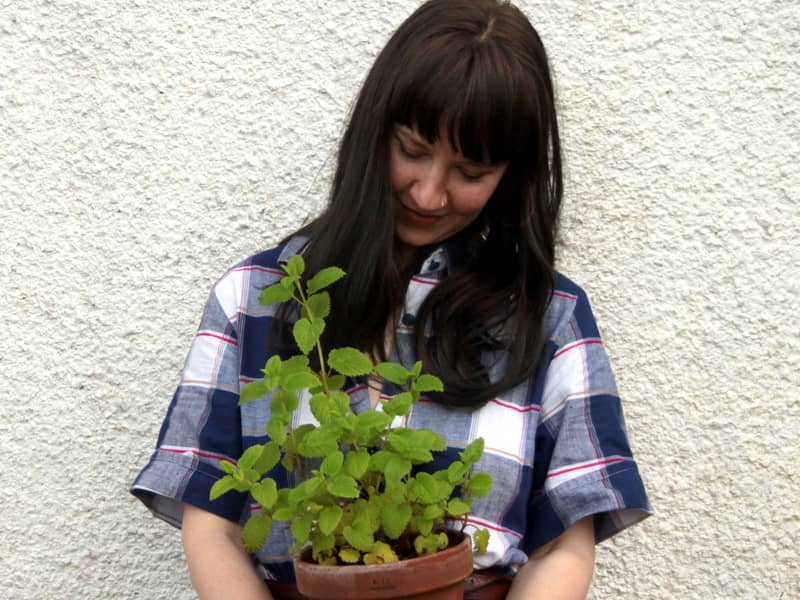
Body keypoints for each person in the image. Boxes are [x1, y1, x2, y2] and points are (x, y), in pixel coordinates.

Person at [131, 1, 652, 598]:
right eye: (412, 149)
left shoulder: (548, 315)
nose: (430, 193)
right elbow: (212, 523)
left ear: (513, 174)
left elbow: (563, 543)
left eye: (470, 170)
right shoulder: (254, 298)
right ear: (375, 129)